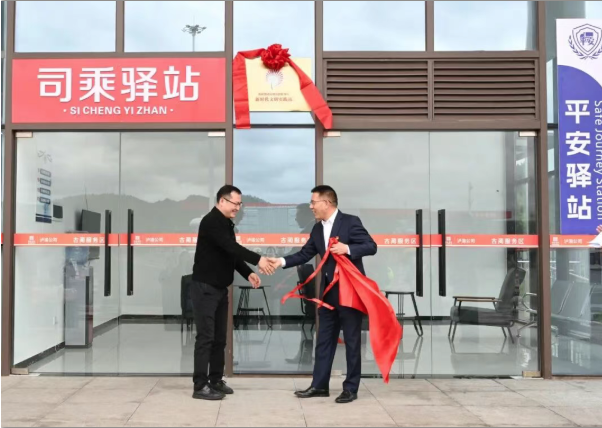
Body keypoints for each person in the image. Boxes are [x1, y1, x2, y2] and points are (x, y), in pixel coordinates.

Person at [268, 185, 377, 404]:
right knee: (324, 340)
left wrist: (347, 249)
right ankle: (319, 385)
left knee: (352, 340)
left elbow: (371, 246)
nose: (311, 206)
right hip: (328, 294)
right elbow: (305, 254)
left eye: (313, 202)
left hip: (349, 292)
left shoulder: (350, 222)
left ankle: (351, 388)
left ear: (326, 203)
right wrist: (280, 261)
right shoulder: (317, 229)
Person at [191, 185, 274, 400]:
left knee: (220, 338)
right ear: (222, 201)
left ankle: (215, 380)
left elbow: (231, 255)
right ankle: (200, 385)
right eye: (235, 203)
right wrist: (258, 259)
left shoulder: (226, 223)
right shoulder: (211, 221)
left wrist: (248, 273)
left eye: (240, 204)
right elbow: (232, 247)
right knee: (206, 337)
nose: (238, 207)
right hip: (205, 288)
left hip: (220, 289)